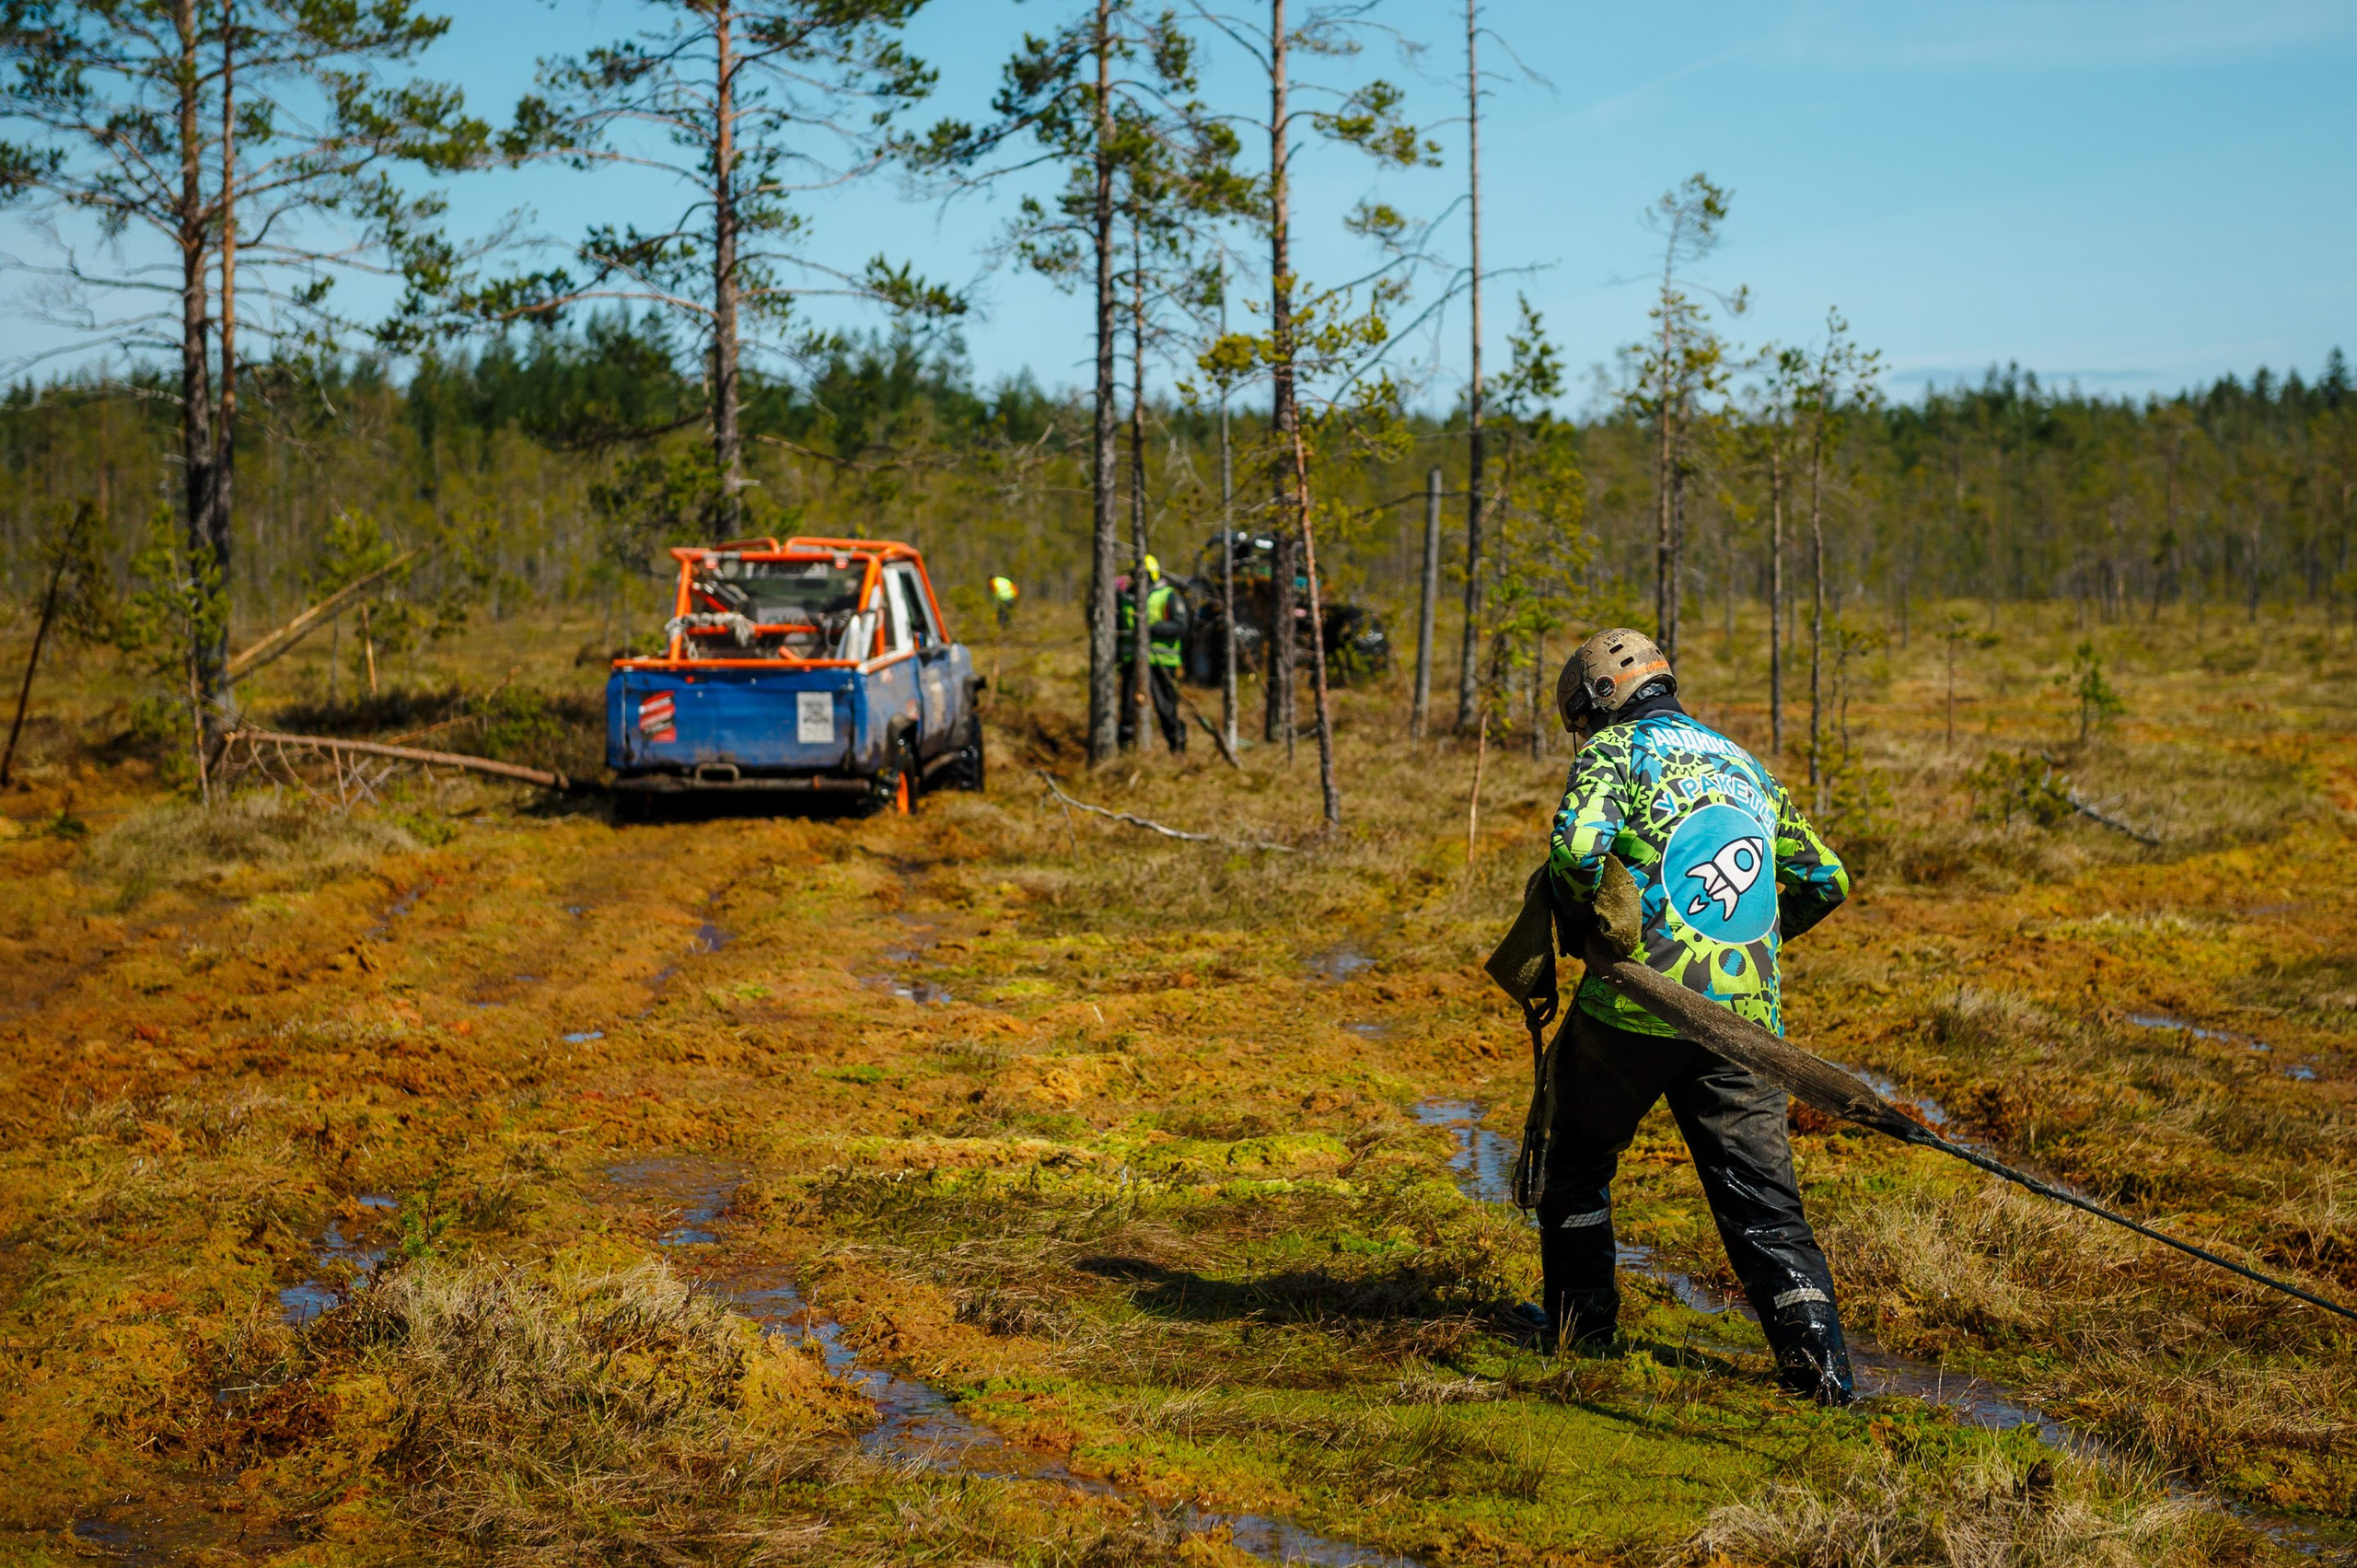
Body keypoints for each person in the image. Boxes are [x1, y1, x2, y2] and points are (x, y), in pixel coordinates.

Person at [1536, 628, 1856, 1403]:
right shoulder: (1746, 764)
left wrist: (1585, 925)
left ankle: (1583, 1332)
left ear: (1601, 700)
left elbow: (1577, 851)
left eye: (1582, 718)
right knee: (1765, 1207)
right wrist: (1751, 945)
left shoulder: (1616, 754)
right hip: (1744, 1023)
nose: (1584, 732)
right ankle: (1824, 1379)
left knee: (1575, 1163)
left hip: (1633, 1007)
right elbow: (1826, 878)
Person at [1116, 554, 1188, 753]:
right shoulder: (1124, 598)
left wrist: (1151, 628)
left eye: (1144, 575)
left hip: (1162, 663)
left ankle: (1178, 748)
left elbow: (1181, 627)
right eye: (1135, 575)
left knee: (1166, 710)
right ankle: (1124, 753)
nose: (1139, 579)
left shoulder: (1167, 595)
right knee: (1128, 710)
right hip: (1132, 663)